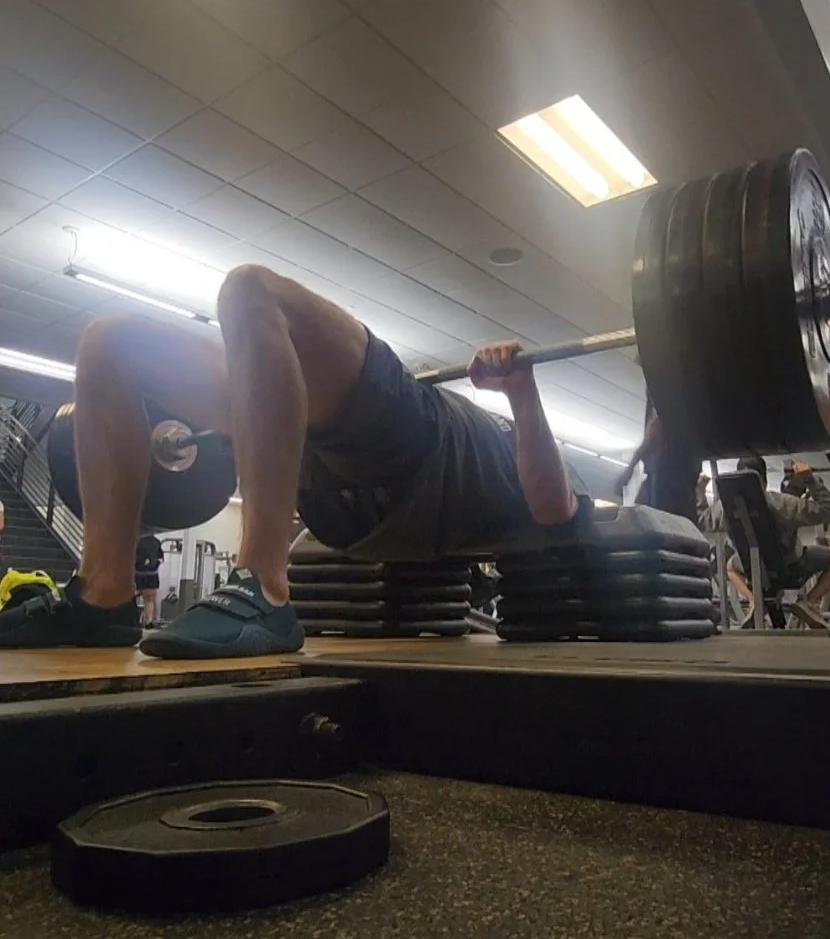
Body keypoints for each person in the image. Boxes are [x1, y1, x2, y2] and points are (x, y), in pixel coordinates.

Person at [0, 269, 606, 659]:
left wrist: (523, 391)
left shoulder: (550, 476)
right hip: (331, 483)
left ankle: (264, 586)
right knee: (107, 345)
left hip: (418, 446)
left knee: (251, 293)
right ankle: (102, 598)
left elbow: (554, 508)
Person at [719, 454, 830, 625]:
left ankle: (754, 602)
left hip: (752, 569)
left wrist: (699, 490)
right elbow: (829, 510)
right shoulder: (782, 503)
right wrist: (810, 480)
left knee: (730, 567)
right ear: (764, 480)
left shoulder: (722, 508)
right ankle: (808, 602)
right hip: (792, 568)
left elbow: (697, 519)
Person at [614, 395, 702, 528]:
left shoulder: (666, 408)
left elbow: (651, 435)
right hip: (677, 476)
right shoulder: (687, 415)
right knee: (680, 527)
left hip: (666, 476)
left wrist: (629, 470)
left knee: (658, 524)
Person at [134, 531, 165, 628]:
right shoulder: (156, 541)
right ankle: (149, 621)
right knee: (150, 599)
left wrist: (142, 562)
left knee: (131, 598)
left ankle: (133, 620)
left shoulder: (136, 540)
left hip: (138, 574)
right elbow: (161, 558)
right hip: (152, 574)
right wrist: (155, 562)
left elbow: (131, 557)